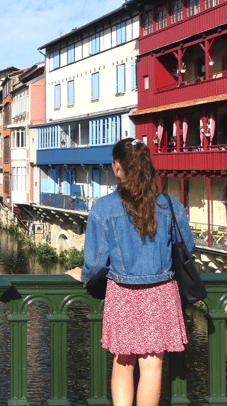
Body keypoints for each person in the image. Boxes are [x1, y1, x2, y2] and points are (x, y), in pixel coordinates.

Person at [66, 137, 195, 406]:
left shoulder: (104, 208)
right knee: (152, 367)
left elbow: (97, 261)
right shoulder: (170, 205)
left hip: (123, 293)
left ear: (117, 166)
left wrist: (85, 275)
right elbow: (188, 247)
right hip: (160, 293)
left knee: (123, 363)